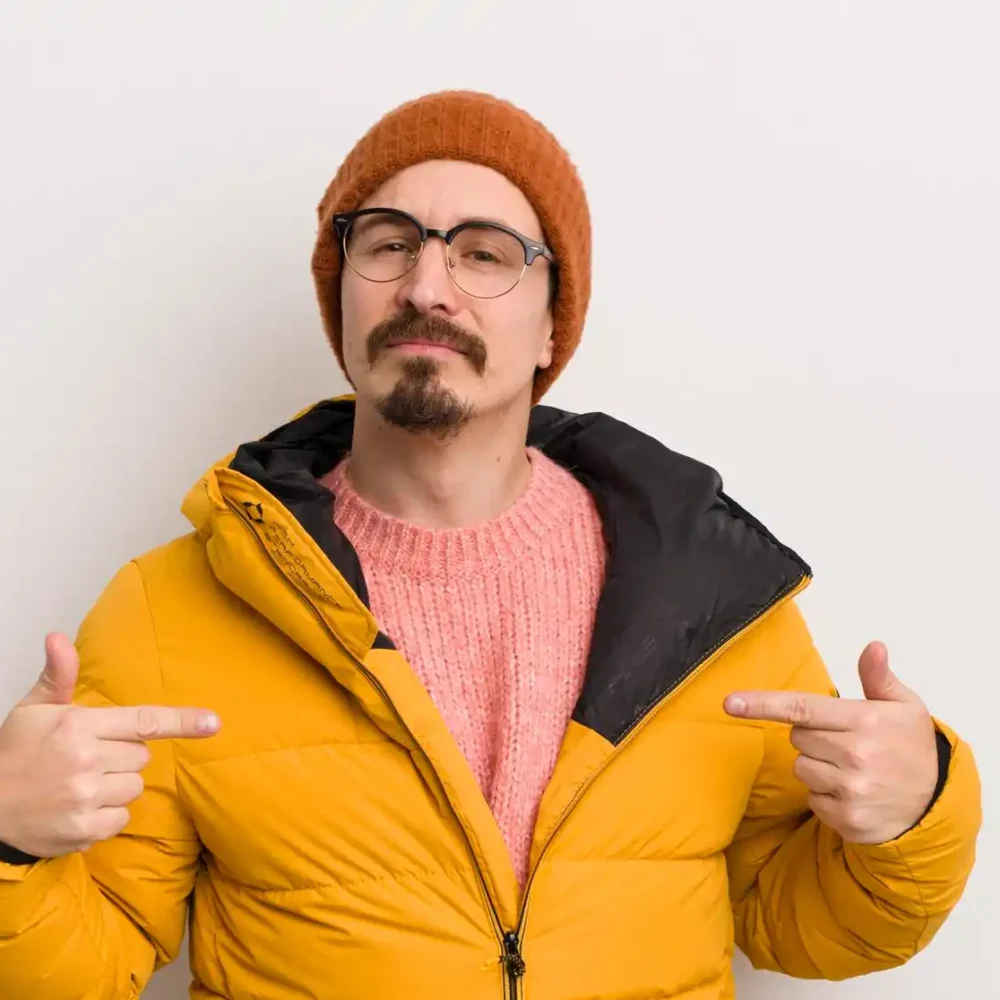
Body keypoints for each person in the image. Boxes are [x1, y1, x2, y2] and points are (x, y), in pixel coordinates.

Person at [0, 90, 981, 1000]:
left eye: (483, 252)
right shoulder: (171, 610)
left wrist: (912, 814)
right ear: (341, 295)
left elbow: (806, 923)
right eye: (386, 244)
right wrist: (8, 842)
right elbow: (84, 959)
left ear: (554, 319)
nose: (428, 286)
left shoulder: (709, 600)